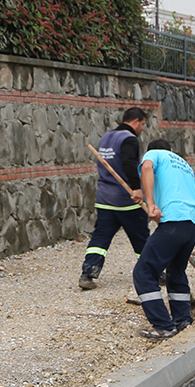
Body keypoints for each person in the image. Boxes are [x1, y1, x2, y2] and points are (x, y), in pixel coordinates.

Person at [131, 139, 195, 340]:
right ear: (172, 150)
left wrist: (151, 203)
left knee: (144, 272)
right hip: (193, 222)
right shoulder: (183, 163)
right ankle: (183, 321)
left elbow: (147, 168)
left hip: (174, 220)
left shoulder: (154, 154)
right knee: (176, 270)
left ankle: (163, 326)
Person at [78, 106, 150, 290]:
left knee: (100, 239)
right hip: (126, 200)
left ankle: (88, 274)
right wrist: (137, 189)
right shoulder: (129, 139)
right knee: (141, 238)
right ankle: (152, 273)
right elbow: (127, 164)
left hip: (105, 198)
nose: (142, 129)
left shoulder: (107, 138)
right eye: (142, 125)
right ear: (136, 121)